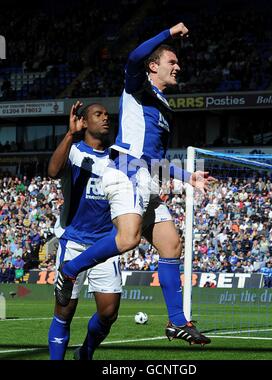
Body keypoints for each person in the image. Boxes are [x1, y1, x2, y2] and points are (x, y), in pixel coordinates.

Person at [56, 23, 214, 346]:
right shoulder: (137, 87)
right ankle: (70, 269)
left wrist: (188, 176)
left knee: (171, 244)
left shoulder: (165, 108)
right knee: (127, 239)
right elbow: (132, 57)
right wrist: (169, 33)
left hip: (148, 177)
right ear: (154, 66)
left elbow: (154, 157)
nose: (178, 67)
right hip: (126, 172)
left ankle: (177, 321)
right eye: (172, 62)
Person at [48, 101, 122, 360]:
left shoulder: (118, 158)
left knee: (109, 313)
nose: (105, 119)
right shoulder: (74, 151)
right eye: (98, 114)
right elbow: (53, 171)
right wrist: (69, 134)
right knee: (65, 310)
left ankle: (86, 352)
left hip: (105, 244)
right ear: (85, 121)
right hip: (75, 241)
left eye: (106, 115)